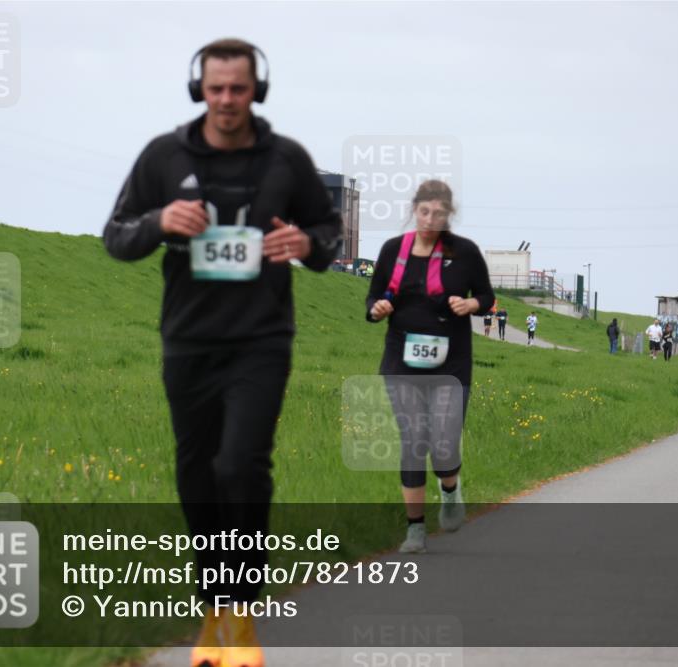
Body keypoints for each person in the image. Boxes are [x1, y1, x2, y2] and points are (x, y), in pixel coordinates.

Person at [103, 38, 341, 667]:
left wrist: (305, 243)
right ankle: (215, 608)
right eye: (216, 89)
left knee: (241, 464)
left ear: (256, 90)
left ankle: (241, 615)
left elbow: (328, 236)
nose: (227, 100)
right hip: (188, 339)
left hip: (261, 339)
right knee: (198, 474)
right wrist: (159, 224)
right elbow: (116, 237)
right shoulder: (163, 156)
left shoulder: (287, 160)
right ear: (198, 90)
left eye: (238, 88)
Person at [366, 179, 494, 554]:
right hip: (400, 359)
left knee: (442, 443)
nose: (430, 219)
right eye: (425, 211)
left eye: (439, 213)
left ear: (449, 215)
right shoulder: (393, 250)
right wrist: (377, 309)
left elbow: (486, 296)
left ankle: (450, 489)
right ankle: (415, 530)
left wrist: (471, 306)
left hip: (449, 363)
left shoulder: (465, 252)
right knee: (413, 441)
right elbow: (373, 297)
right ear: (414, 209)